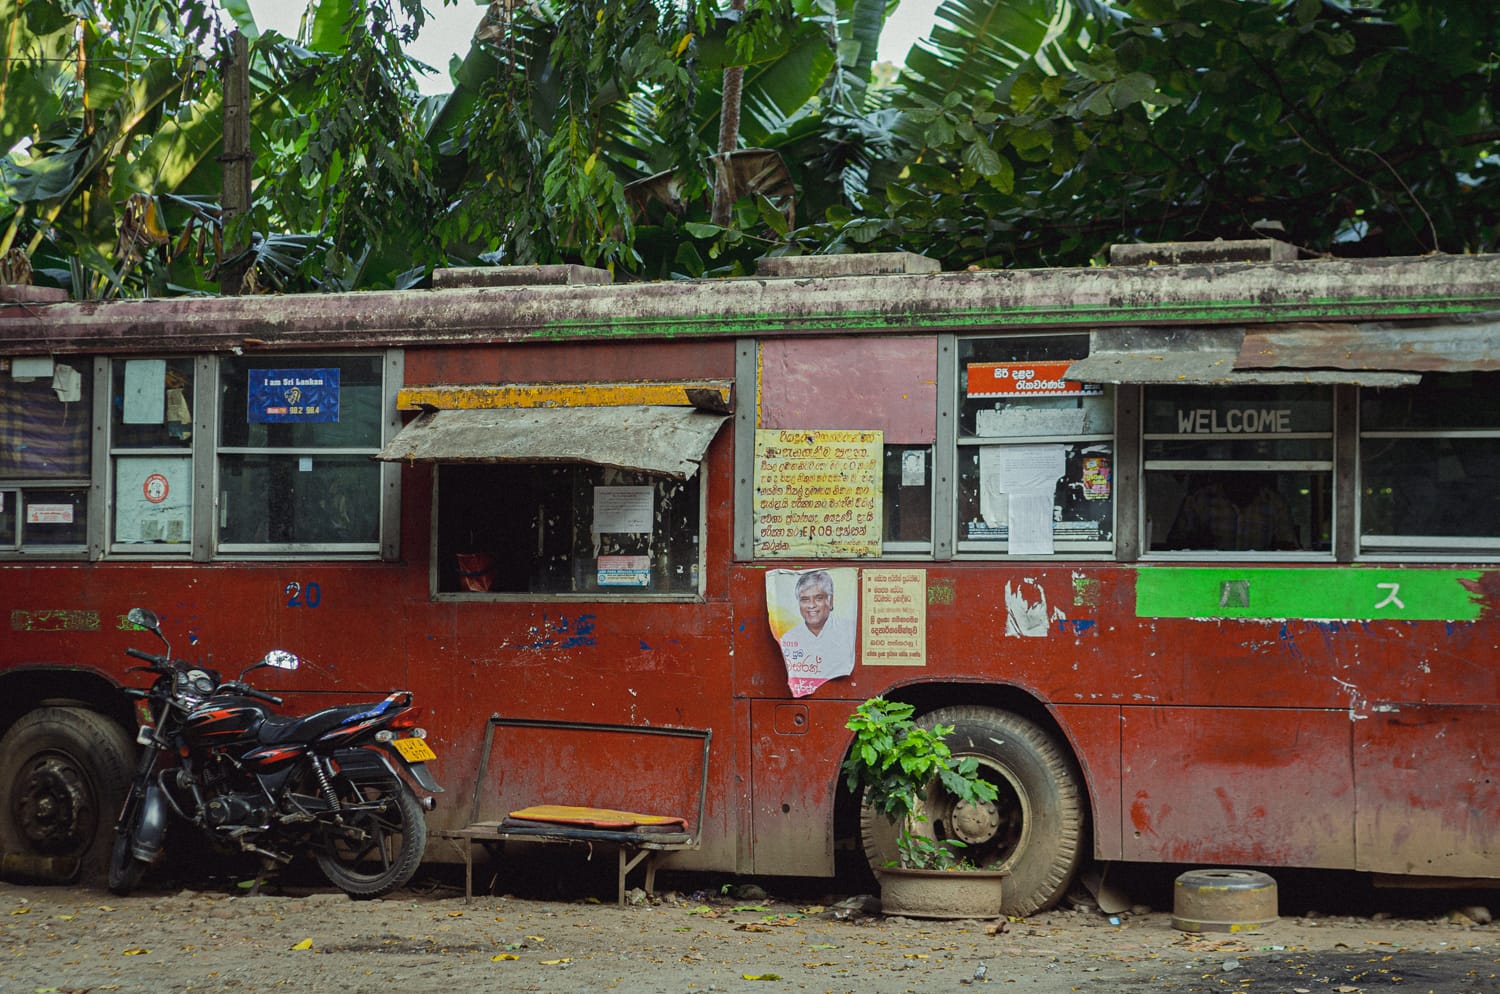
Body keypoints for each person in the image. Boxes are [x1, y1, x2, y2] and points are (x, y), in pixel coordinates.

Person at [1167, 472, 1300, 551]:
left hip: (1262, 577)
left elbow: (1288, 546)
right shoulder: (1200, 500)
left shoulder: (1273, 502)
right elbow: (1176, 544)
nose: (1242, 482)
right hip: (1206, 574)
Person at [779, 569, 857, 679]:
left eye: (818, 598)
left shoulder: (850, 631)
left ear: (830, 601)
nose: (811, 605)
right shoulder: (789, 638)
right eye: (805, 600)